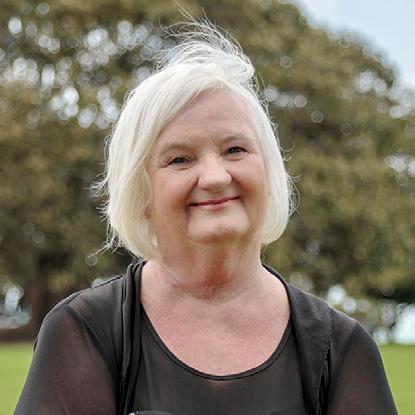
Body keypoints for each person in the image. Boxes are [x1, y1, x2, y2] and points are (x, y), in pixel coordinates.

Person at [15, 22, 397, 415]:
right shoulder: (83, 332)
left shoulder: (342, 350)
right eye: (180, 159)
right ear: (141, 192)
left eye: (235, 150)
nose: (215, 177)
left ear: (268, 171)